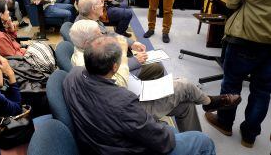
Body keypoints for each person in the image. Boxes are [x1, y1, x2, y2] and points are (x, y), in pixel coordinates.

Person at [69, 20, 241, 132]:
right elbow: (116, 84)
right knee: (185, 85)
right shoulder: (83, 63)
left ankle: (195, 137)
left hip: (126, 95)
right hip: (126, 111)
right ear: (87, 43)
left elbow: (112, 81)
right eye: (99, 34)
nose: (103, 35)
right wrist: (122, 55)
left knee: (186, 104)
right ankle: (209, 102)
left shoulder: (84, 54)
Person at [64, 35, 220, 154]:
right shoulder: (122, 101)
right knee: (204, 141)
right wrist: (162, 128)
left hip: (98, 138)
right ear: (115, 67)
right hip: (121, 148)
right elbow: (162, 141)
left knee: (185, 105)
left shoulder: (73, 74)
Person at [204, 0, 271, 148]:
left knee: (231, 84)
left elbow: (231, 1)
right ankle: (249, 136)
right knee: (262, 90)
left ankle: (224, 122)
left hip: (246, 39)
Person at [76, 0, 164, 80]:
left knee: (131, 51)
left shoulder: (90, 20)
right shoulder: (89, 31)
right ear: (93, 8)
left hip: (115, 61)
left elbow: (109, 34)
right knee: (157, 67)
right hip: (112, 74)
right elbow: (104, 65)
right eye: (101, 2)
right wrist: (134, 61)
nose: (104, 5)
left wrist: (131, 43)